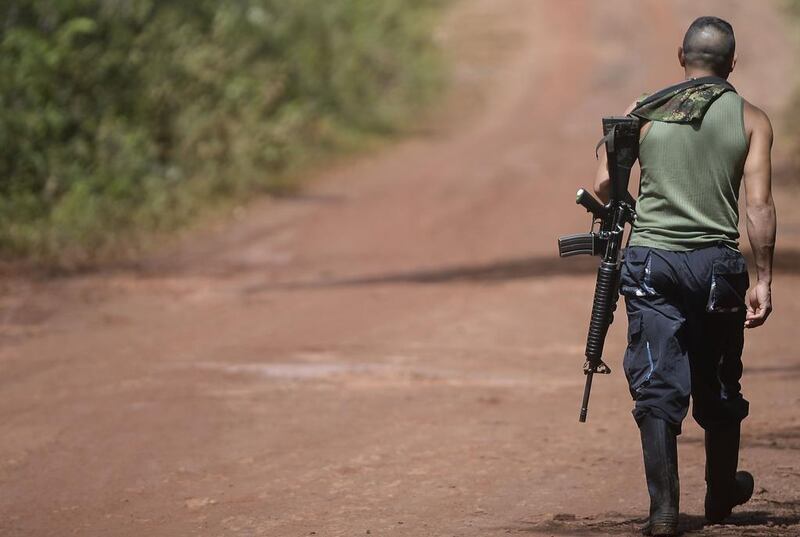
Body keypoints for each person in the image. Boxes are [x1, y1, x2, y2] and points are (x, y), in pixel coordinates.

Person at [593, 16, 777, 537]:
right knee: (717, 379)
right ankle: (721, 493)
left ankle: (664, 512)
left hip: (652, 263)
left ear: (682, 57)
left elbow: (605, 185)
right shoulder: (751, 119)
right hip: (717, 266)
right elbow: (758, 206)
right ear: (731, 64)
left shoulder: (644, 111)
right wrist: (763, 278)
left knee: (656, 383)